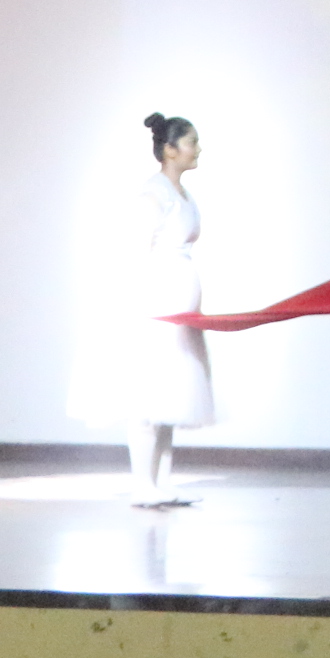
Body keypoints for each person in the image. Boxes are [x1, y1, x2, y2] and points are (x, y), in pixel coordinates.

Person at [106, 111, 214, 507]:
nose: (198, 149)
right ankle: (142, 484)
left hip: (179, 308)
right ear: (169, 149)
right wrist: (144, 306)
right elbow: (135, 255)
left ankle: (161, 482)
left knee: (171, 394)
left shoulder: (181, 194)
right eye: (191, 142)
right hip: (156, 306)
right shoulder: (153, 195)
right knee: (148, 396)